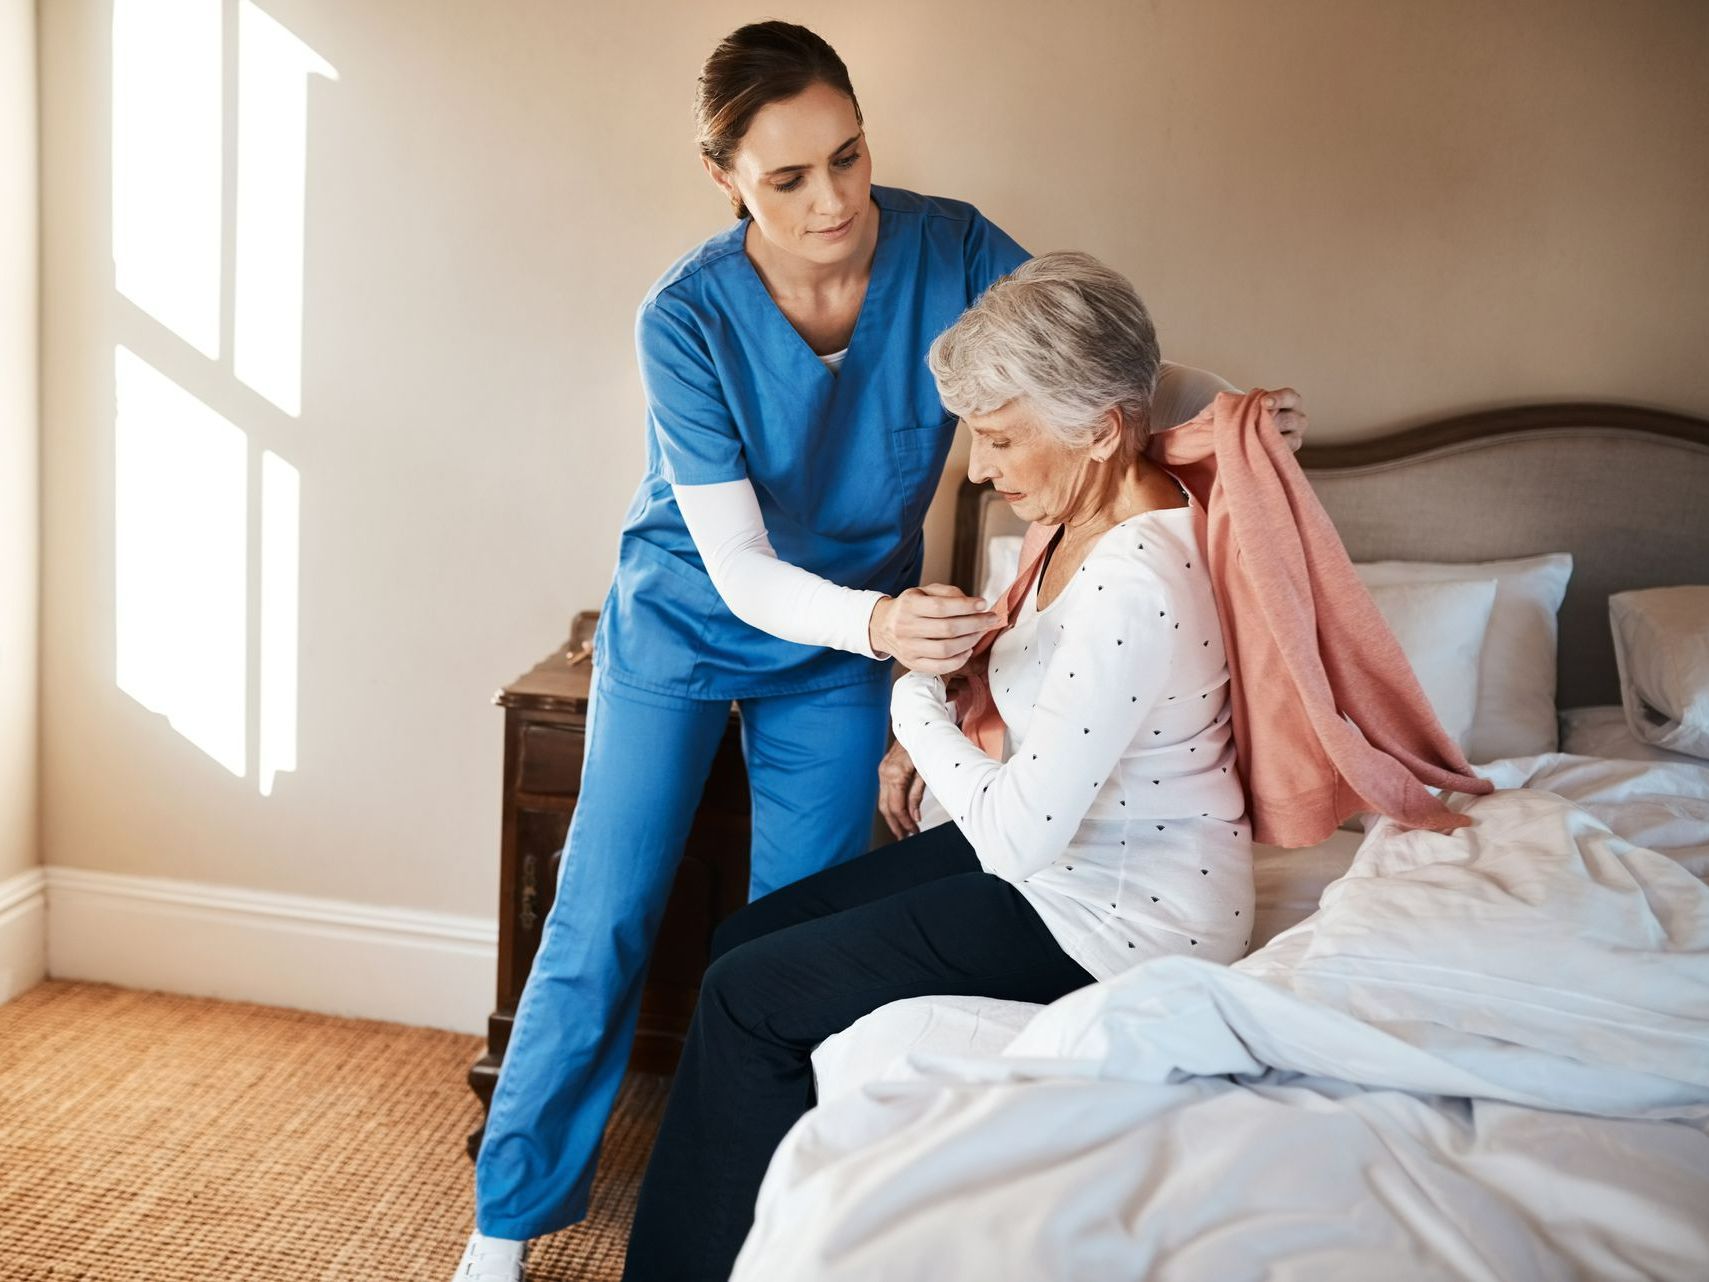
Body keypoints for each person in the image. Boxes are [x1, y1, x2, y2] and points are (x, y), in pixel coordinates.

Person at [454, 22, 1307, 1282]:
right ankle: (504, 1222)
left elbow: (1085, 369)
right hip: (692, 622)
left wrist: (1214, 403)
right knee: (603, 914)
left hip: (847, 644)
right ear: (725, 179)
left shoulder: (950, 245)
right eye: (788, 178)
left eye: (847, 158)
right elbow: (739, 566)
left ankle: (782, 1227)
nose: (832, 202)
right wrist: (885, 633)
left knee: (787, 938)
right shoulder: (683, 319)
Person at [619, 251, 1255, 1281]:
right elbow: (1170, 381)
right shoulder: (1085, 501)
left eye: (998, 437)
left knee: (747, 996)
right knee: (744, 935)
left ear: (1098, 428)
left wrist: (912, 701)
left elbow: (1010, 833)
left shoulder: (1138, 579)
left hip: (1120, 920)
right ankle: (766, 1237)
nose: (973, 467)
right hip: (1062, 869)